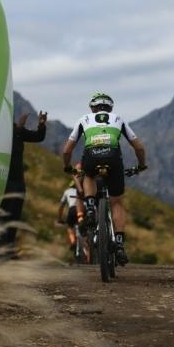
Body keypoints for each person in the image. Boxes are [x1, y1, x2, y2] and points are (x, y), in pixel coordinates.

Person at [61, 92, 147, 265]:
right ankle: (120, 244)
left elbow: (67, 150)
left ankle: (91, 206)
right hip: (113, 158)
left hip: (91, 156)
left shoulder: (84, 119)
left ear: (92, 108)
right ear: (110, 108)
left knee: (88, 175)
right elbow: (138, 147)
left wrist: (68, 167)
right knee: (117, 203)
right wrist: (140, 165)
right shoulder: (118, 119)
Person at [0, 111, 47, 258]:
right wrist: (18, 129)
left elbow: (38, 137)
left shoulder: (17, 130)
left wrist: (42, 125)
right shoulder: (2, 131)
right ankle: (1, 251)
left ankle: (10, 248)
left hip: (18, 181)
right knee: (3, 215)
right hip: (3, 179)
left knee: (14, 215)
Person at [56, 166, 85, 261]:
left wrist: (59, 218)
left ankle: (73, 241)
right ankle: (89, 253)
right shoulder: (83, 191)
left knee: (69, 226)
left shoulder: (67, 191)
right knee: (86, 231)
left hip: (72, 210)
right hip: (82, 210)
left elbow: (61, 206)